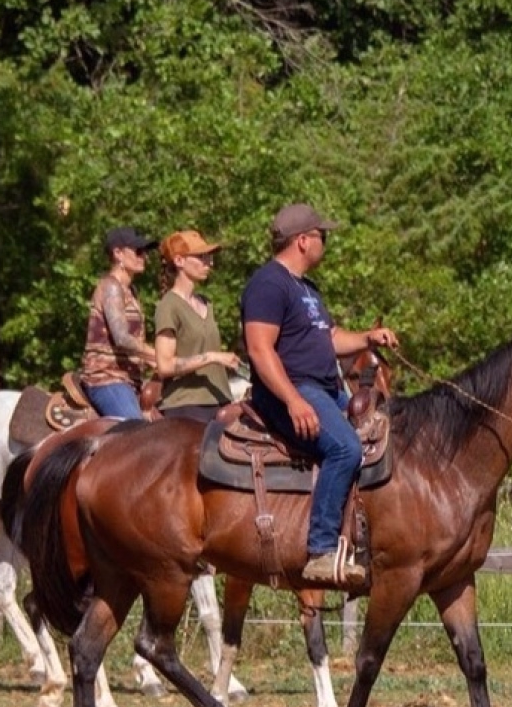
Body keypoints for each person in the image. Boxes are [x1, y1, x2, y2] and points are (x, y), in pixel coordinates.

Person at [240, 202, 398, 587]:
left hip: (326, 389)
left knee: (389, 424)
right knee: (345, 448)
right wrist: (293, 400)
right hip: (291, 389)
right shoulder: (268, 284)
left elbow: (328, 338)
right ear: (303, 241)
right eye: (322, 236)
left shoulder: (306, 289)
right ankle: (322, 549)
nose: (325, 243)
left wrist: (366, 337)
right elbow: (260, 349)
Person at [153, 229, 241, 423]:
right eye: (201, 257)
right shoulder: (169, 306)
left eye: (209, 257)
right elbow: (165, 365)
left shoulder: (207, 303)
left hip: (221, 399)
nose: (209, 263)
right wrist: (212, 357)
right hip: (187, 405)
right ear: (179, 261)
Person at [81, 226, 158, 419]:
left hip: (129, 379)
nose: (144, 257)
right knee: (138, 434)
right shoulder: (111, 287)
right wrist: (158, 356)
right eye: (138, 251)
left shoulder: (131, 291)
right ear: (118, 253)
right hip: (106, 379)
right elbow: (122, 338)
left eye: (145, 252)